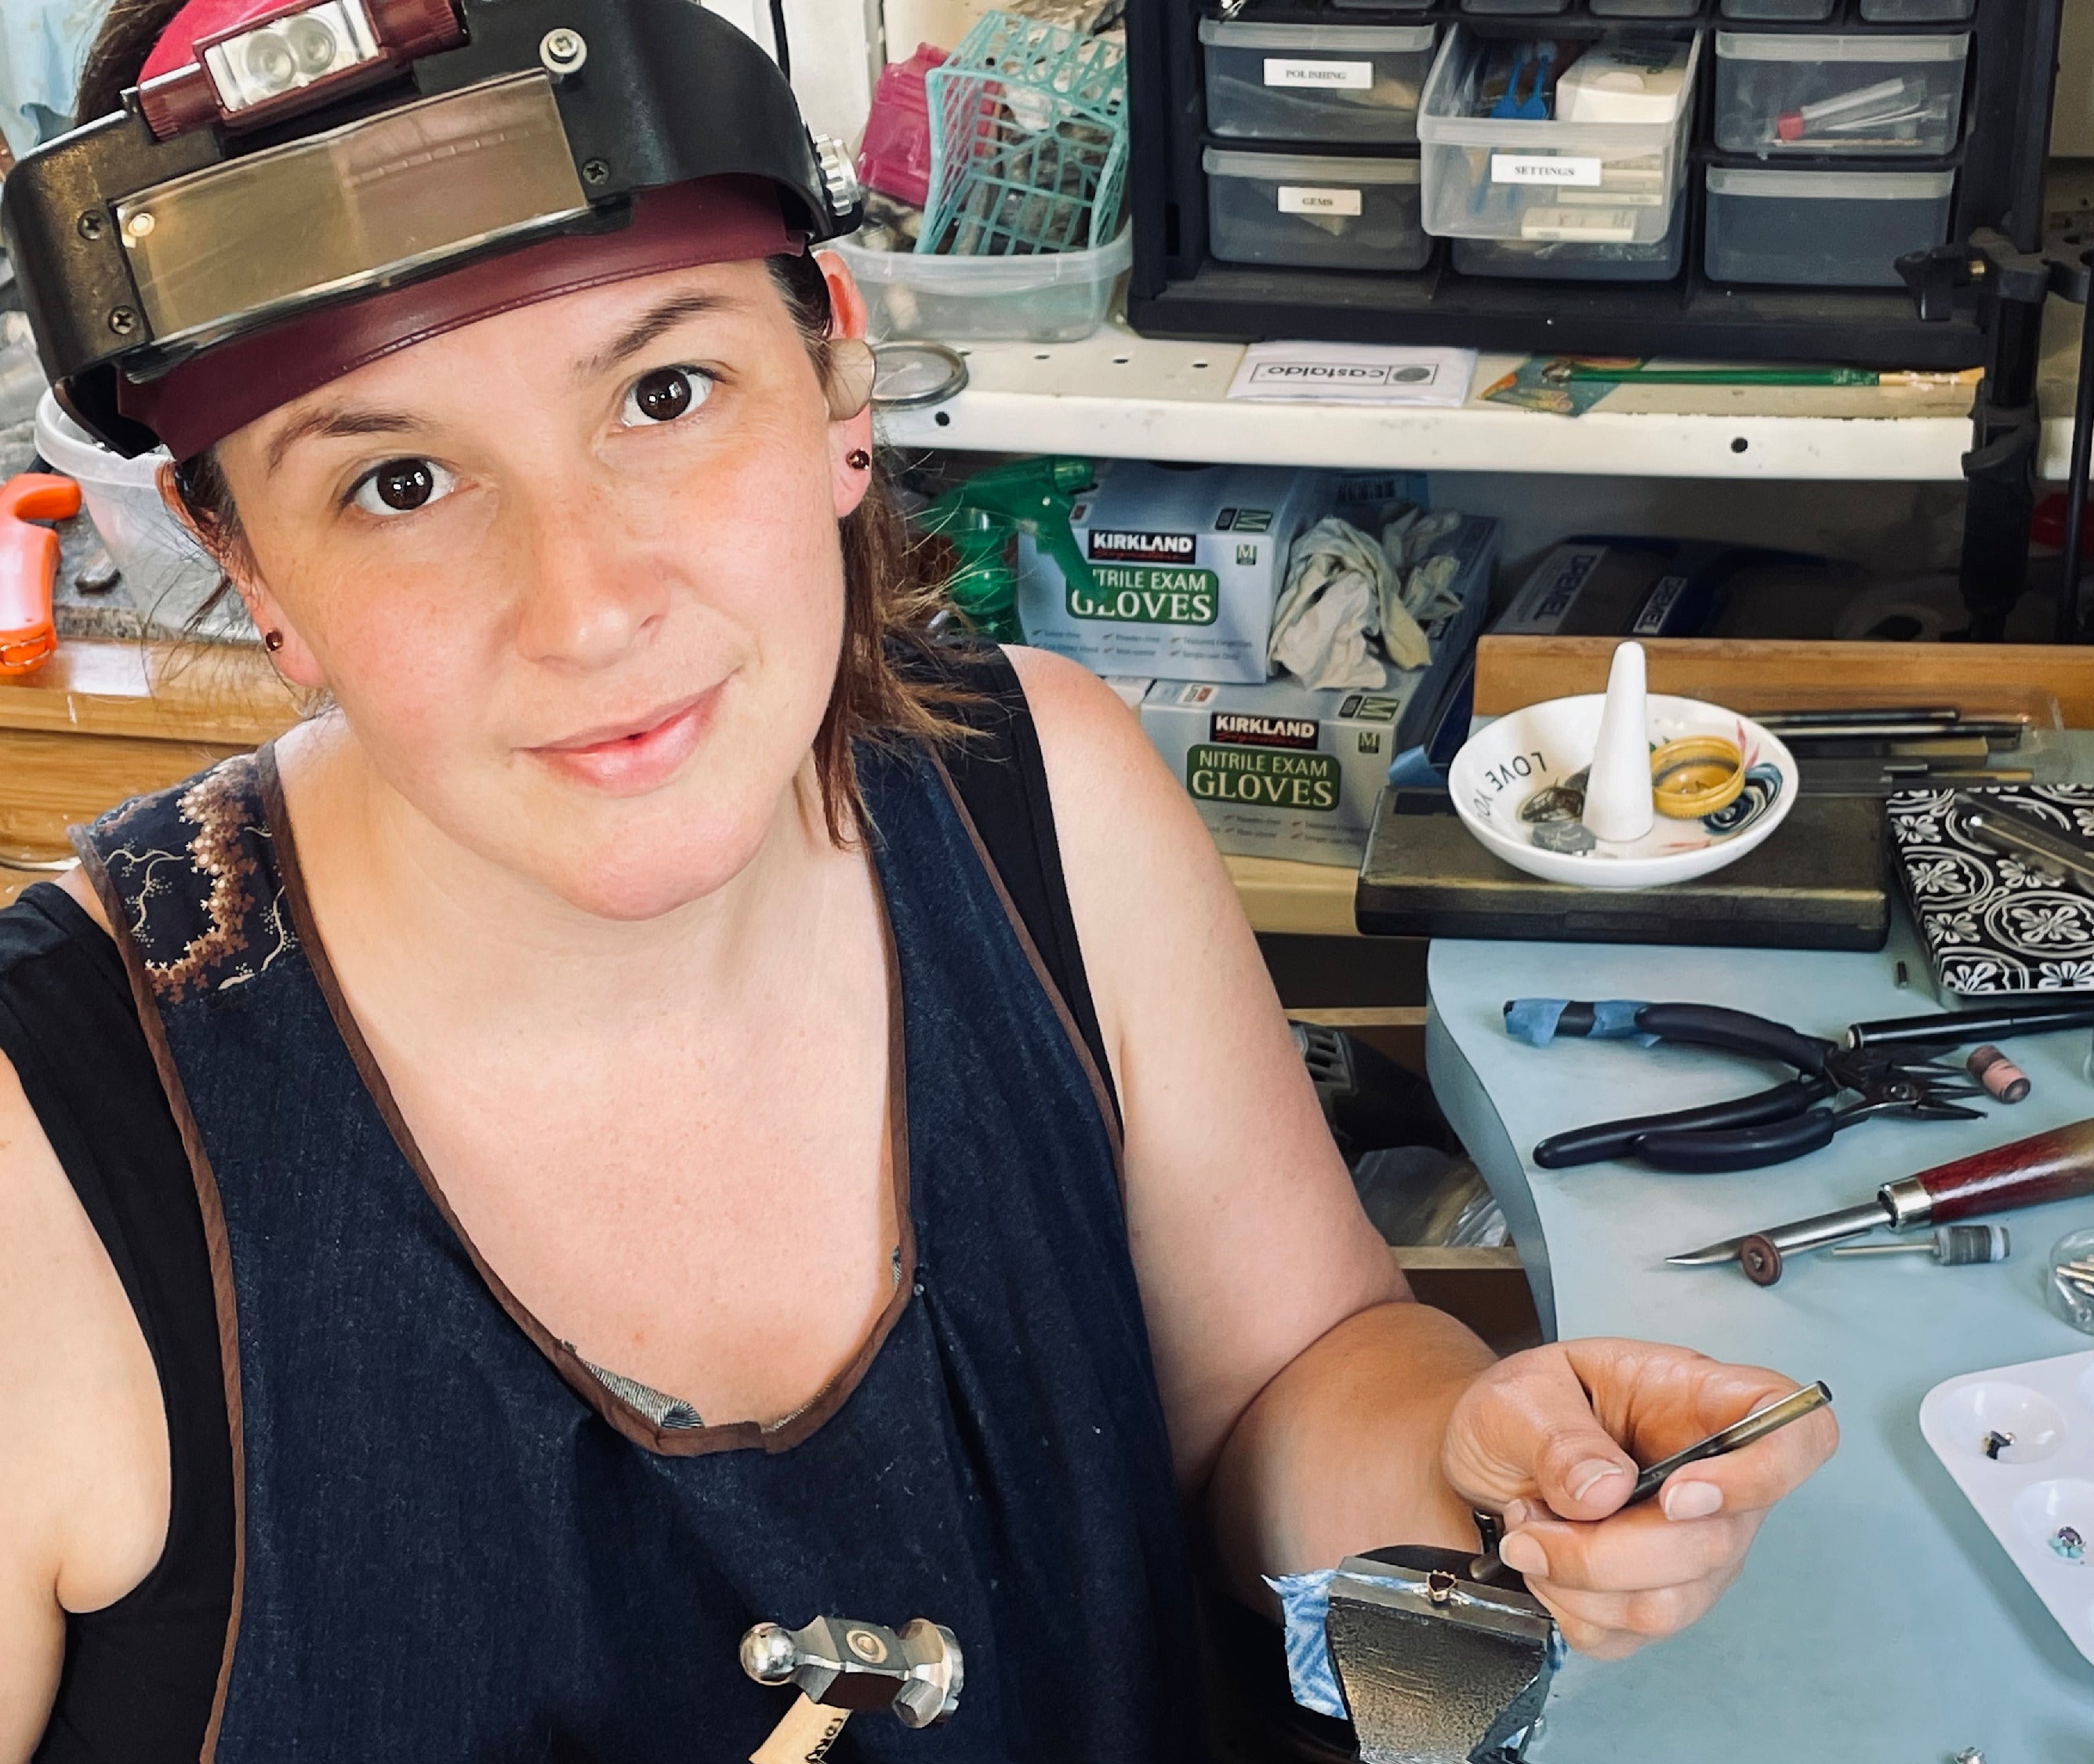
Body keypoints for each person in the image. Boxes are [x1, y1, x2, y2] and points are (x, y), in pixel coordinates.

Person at [0, 2, 1836, 1759]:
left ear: (834, 384)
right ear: (248, 566)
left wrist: (1464, 1468)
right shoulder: (41, 1154)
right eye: (398, 484)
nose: (590, 608)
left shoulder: (1046, 793)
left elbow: (1291, 1381)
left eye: (665, 388)